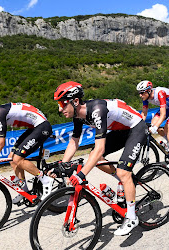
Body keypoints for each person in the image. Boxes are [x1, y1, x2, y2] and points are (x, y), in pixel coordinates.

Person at [53, 81, 147, 236]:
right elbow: (74, 141)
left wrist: (81, 174)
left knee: (122, 171)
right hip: (121, 130)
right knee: (95, 159)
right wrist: (62, 164)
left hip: (136, 127)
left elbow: (100, 148)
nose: (60, 109)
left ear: (75, 101)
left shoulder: (97, 110)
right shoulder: (78, 116)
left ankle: (131, 217)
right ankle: (124, 182)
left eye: (62, 104)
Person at [0, 96, 54, 203]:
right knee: (11, 159)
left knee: (17, 158)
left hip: (42, 126)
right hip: (34, 128)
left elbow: (0, 144)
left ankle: (45, 180)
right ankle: (25, 191)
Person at [136, 80, 169, 168]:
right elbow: (144, 114)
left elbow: (163, 114)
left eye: (142, 93)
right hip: (168, 106)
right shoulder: (145, 97)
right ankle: (168, 141)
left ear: (149, 91)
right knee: (153, 124)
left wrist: (156, 126)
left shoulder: (160, 93)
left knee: (168, 127)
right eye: (139, 93)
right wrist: (138, 125)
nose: (140, 95)